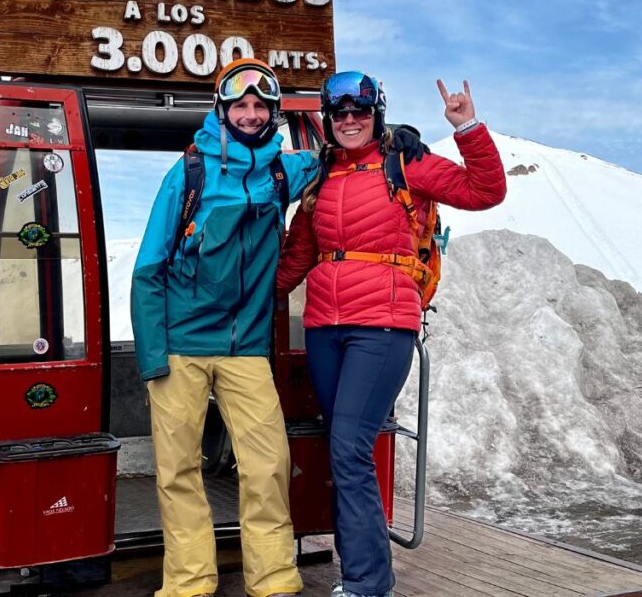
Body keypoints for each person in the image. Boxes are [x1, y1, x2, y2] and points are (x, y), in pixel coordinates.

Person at [276, 72, 507, 597]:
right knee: (345, 451)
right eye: (340, 113)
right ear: (329, 122)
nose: (350, 120)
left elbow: (486, 190)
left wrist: (466, 126)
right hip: (324, 328)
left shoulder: (405, 163)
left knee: (349, 448)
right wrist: (231, 300)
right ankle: (365, 574)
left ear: (376, 113)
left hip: (382, 324)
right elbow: (296, 258)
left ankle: (366, 583)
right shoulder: (321, 177)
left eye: (360, 110)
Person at [130, 58, 318, 597]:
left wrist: (392, 147)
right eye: (241, 105)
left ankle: (275, 580)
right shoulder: (188, 172)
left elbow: (336, 158)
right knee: (178, 470)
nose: (251, 114)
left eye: (261, 106)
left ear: (273, 113)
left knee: (267, 466)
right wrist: (152, 359)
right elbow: (148, 268)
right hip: (181, 346)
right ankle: (189, 583)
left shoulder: (284, 170)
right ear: (223, 110)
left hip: (246, 349)